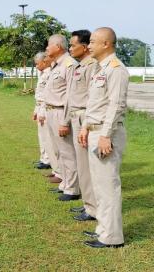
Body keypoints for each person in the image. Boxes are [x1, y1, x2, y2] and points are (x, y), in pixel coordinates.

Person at [78, 27, 129, 248]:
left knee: (108, 186)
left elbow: (116, 105)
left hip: (106, 134)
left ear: (106, 44)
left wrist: (105, 135)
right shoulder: (101, 68)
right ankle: (103, 230)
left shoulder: (116, 69)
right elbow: (97, 104)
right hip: (95, 131)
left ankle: (112, 237)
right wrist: (86, 126)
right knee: (99, 186)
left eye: (93, 42)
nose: (89, 45)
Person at [64, 30, 98, 222]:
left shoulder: (92, 66)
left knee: (87, 166)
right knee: (82, 165)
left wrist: (85, 124)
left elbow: (92, 98)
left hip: (84, 117)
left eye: (73, 45)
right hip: (76, 116)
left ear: (84, 47)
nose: (70, 48)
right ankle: (88, 204)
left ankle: (93, 208)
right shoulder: (79, 66)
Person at [44, 34, 80, 201]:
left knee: (67, 152)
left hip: (61, 112)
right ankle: (65, 183)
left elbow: (70, 96)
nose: (46, 48)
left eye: (48, 45)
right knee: (58, 151)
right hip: (51, 111)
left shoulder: (69, 65)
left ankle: (72, 189)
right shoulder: (56, 65)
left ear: (58, 46)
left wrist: (65, 121)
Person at [32, 52, 53, 170]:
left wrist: (43, 112)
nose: (36, 66)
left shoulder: (49, 73)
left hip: (45, 108)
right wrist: (36, 110)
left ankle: (47, 160)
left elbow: (47, 95)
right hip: (40, 106)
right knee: (42, 135)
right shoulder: (42, 74)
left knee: (46, 136)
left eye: (37, 64)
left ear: (44, 62)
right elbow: (39, 95)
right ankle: (43, 157)